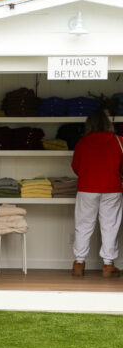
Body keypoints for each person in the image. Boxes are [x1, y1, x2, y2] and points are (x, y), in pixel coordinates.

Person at [71, 108, 123, 277]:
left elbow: (76, 167)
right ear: (108, 123)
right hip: (111, 188)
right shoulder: (119, 141)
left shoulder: (82, 142)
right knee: (110, 226)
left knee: (83, 225)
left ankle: (79, 263)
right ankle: (108, 265)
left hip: (87, 188)